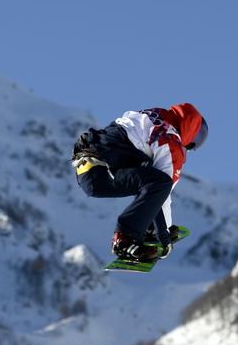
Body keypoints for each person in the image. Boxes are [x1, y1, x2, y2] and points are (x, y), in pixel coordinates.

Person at [71, 103, 208, 262]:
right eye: (196, 139)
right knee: (160, 183)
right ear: (191, 130)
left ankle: (144, 228)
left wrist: (157, 226)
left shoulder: (152, 116)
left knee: (150, 180)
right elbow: (163, 190)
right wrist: (164, 235)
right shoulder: (170, 142)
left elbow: (151, 189)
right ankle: (125, 240)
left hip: (90, 165)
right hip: (100, 171)